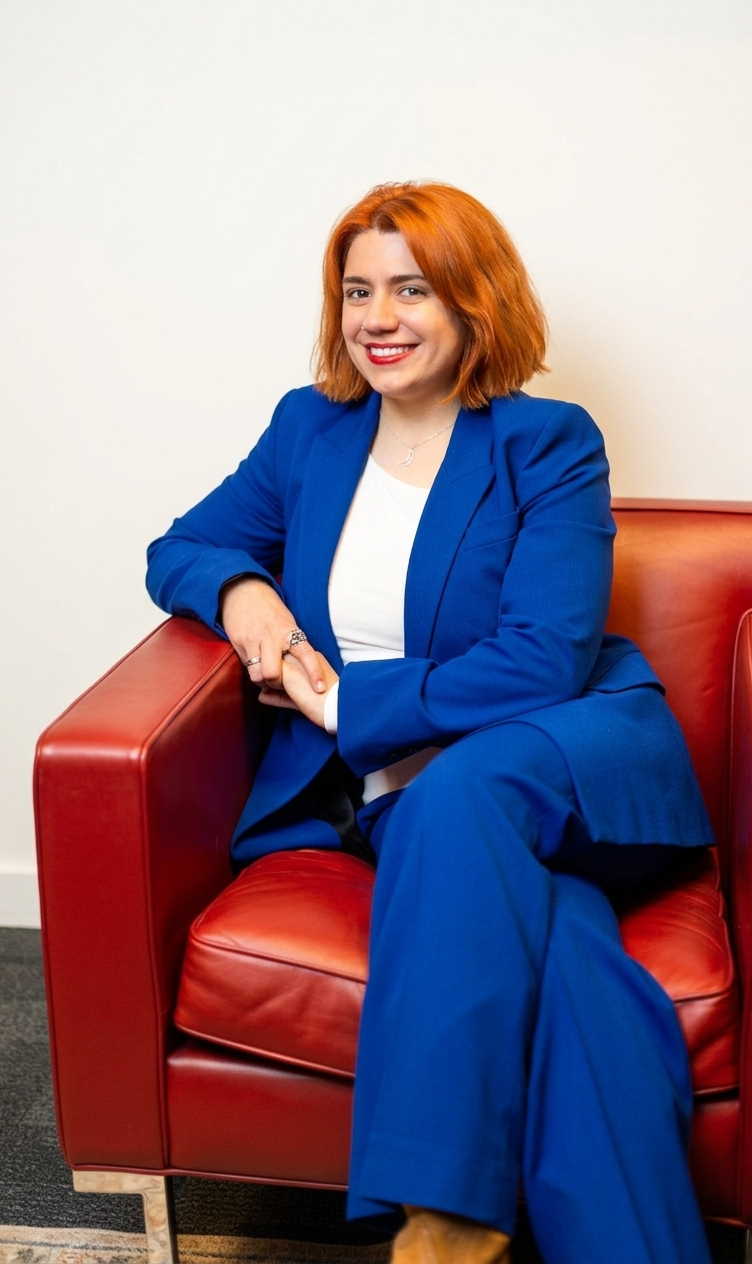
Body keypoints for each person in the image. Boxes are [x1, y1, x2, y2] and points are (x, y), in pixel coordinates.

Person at [147, 181, 715, 1264]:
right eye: (357, 289)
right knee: (578, 971)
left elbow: (542, 657)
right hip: (402, 801)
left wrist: (335, 701)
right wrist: (240, 591)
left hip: (563, 753)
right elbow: (177, 544)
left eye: (411, 288)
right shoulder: (307, 430)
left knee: (459, 787)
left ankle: (444, 1226)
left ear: (471, 302)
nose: (378, 317)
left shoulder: (545, 443)